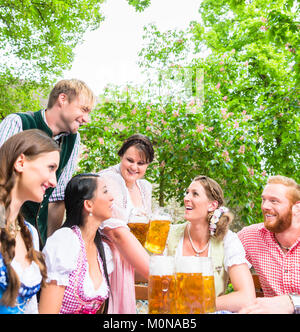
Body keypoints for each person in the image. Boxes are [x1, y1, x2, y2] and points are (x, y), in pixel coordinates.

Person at [0, 78, 95, 247]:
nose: (87, 119)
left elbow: (57, 198)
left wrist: (49, 247)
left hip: (35, 238)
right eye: (84, 109)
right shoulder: (18, 123)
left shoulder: (73, 140)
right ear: (62, 99)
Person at [165, 175, 256, 312]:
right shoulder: (169, 234)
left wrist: (198, 304)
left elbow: (246, 298)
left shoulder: (227, 240)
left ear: (212, 205)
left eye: (195, 194)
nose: (186, 198)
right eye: (187, 192)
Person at [0, 129, 60, 314]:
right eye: (50, 168)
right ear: (20, 162)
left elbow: (30, 307)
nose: (54, 182)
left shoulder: (30, 233)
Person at [39, 173, 114, 314]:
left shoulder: (102, 249)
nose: (112, 197)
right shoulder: (65, 242)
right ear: (88, 204)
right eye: (105, 191)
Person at [98, 134, 154, 314]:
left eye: (141, 163)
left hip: (133, 257)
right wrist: (155, 273)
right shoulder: (108, 179)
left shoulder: (145, 187)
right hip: (110, 255)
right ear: (121, 156)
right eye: (130, 160)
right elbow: (115, 232)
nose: (134, 167)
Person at [238, 175, 300, 314]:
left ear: (296, 208)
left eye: (274, 201)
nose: (265, 206)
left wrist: (292, 302)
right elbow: (217, 258)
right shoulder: (250, 236)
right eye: (263, 200)